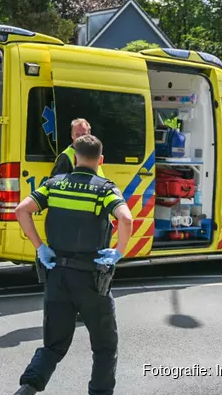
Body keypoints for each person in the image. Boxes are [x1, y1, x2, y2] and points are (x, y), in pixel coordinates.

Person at [13, 135, 133, 395]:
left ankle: (28, 387)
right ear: (100, 160)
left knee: (53, 346)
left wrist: (39, 246)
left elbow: (21, 210)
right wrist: (118, 252)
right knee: (104, 346)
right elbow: (126, 218)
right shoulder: (104, 189)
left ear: (74, 157)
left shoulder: (54, 185)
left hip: (56, 276)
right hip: (91, 279)